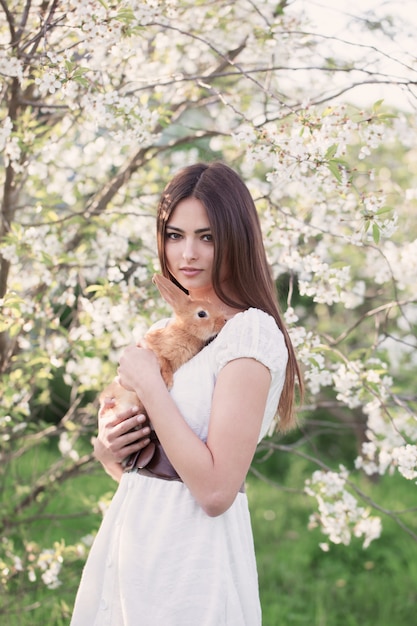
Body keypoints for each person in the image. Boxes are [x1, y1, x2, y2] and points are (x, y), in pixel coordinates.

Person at [70, 161, 303, 625]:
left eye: (207, 236)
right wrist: (109, 450)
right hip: (131, 545)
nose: (187, 253)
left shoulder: (249, 336)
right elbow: (152, 477)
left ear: (236, 237)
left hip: (192, 564)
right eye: (175, 235)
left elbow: (215, 491)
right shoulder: (168, 330)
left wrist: (151, 385)